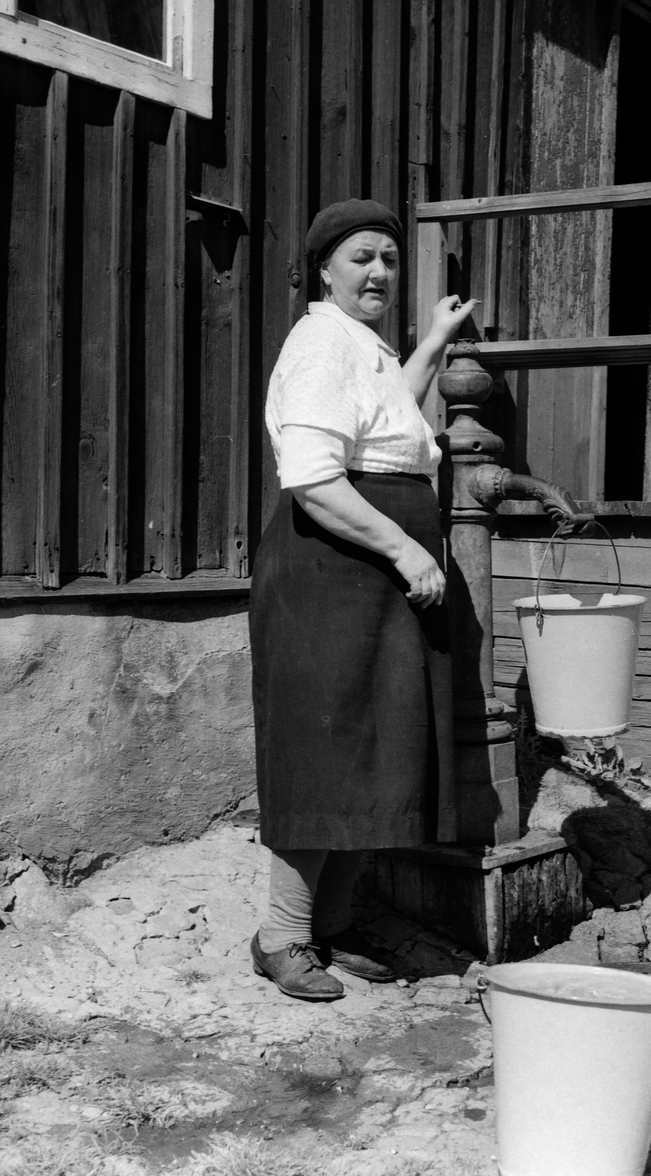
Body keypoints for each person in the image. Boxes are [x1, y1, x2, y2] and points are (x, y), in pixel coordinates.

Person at [249, 198, 477, 1000]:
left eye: (387, 258)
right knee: (326, 752)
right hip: (332, 570)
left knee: (376, 748)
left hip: (369, 572)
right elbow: (312, 479)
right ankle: (281, 936)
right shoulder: (318, 345)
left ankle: (333, 926)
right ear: (324, 270)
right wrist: (406, 547)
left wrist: (435, 341)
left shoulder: (362, 347)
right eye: (360, 259)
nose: (378, 271)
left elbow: (394, 420)